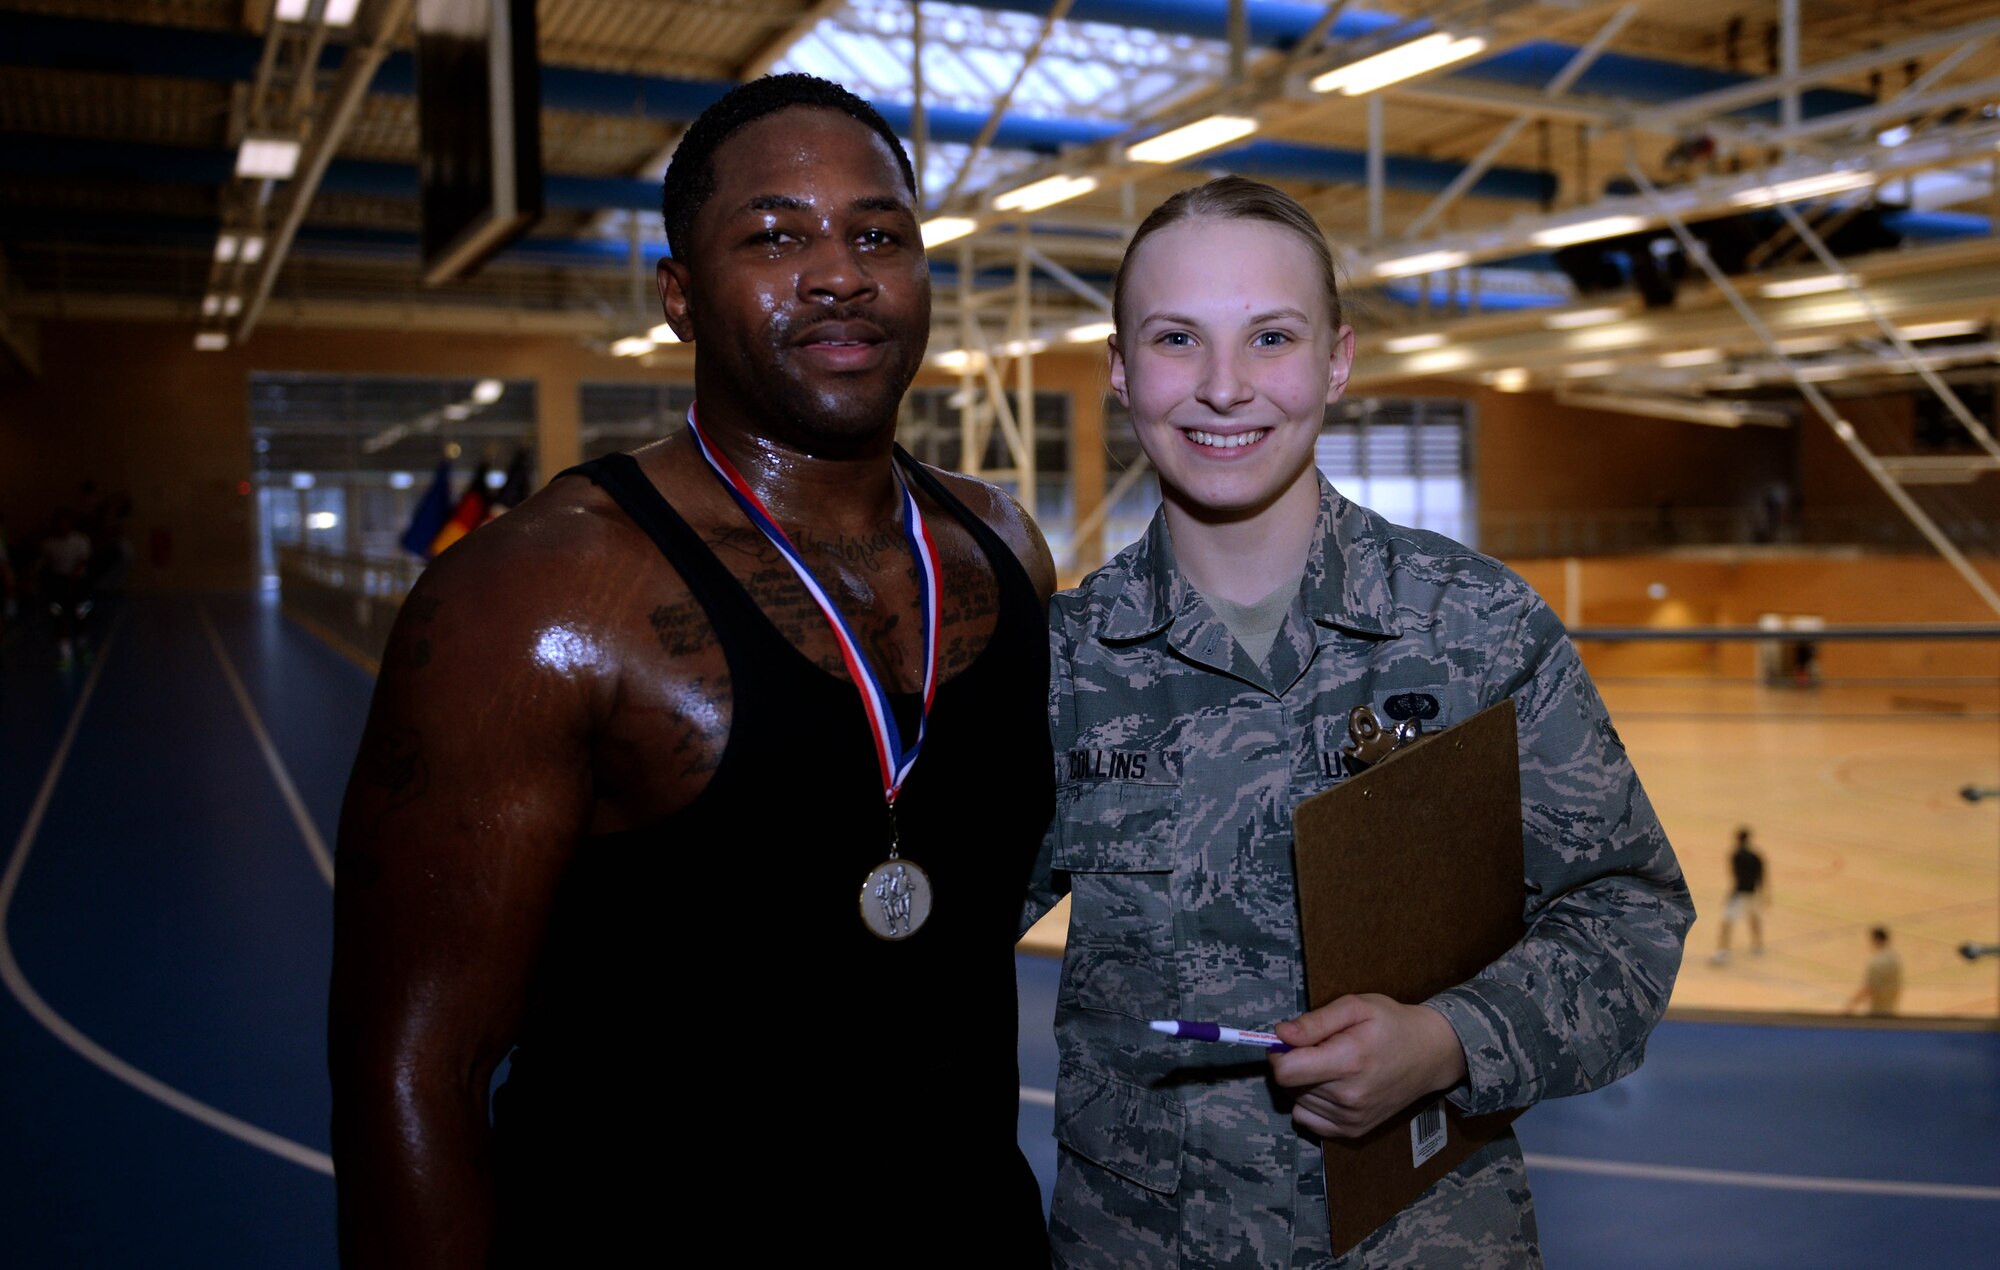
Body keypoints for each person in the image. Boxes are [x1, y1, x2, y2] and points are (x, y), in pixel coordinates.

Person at [329, 73, 1057, 1266]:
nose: (838, 271)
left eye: (879, 234)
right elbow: (416, 1066)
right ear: (677, 295)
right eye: (775, 238)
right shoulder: (538, 598)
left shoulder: (1002, 549)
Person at [1025, 177, 1694, 1267]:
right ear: (1117, 368)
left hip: (1425, 1240)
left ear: (1336, 358)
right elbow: (917, 924)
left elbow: (1624, 916)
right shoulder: (1061, 663)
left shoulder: (1477, 629)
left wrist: (1446, 1039)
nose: (1224, 388)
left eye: (1270, 337)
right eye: (1176, 339)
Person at [36, 508, 93, 666]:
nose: (62, 526)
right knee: (59, 618)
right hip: (57, 585)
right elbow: (44, 565)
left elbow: (83, 562)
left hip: (78, 585)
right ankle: (65, 654)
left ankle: (82, 648)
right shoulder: (49, 544)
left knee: (79, 616)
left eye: (65, 522)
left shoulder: (81, 541)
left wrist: (74, 579)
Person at [1711, 827, 1767, 963]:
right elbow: (1761, 876)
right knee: (1753, 918)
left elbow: (1735, 877)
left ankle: (1721, 952)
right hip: (1752, 892)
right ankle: (1757, 945)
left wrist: (1729, 895)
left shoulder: (1736, 855)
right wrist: (1763, 893)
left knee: (1726, 922)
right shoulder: (1756, 856)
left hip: (1740, 893)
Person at [1845, 926, 1904, 1016]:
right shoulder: (1895, 958)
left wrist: (1852, 1004)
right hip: (1891, 1007)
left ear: (1876, 940)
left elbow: (1869, 987)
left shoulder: (1876, 962)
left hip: (1878, 1010)